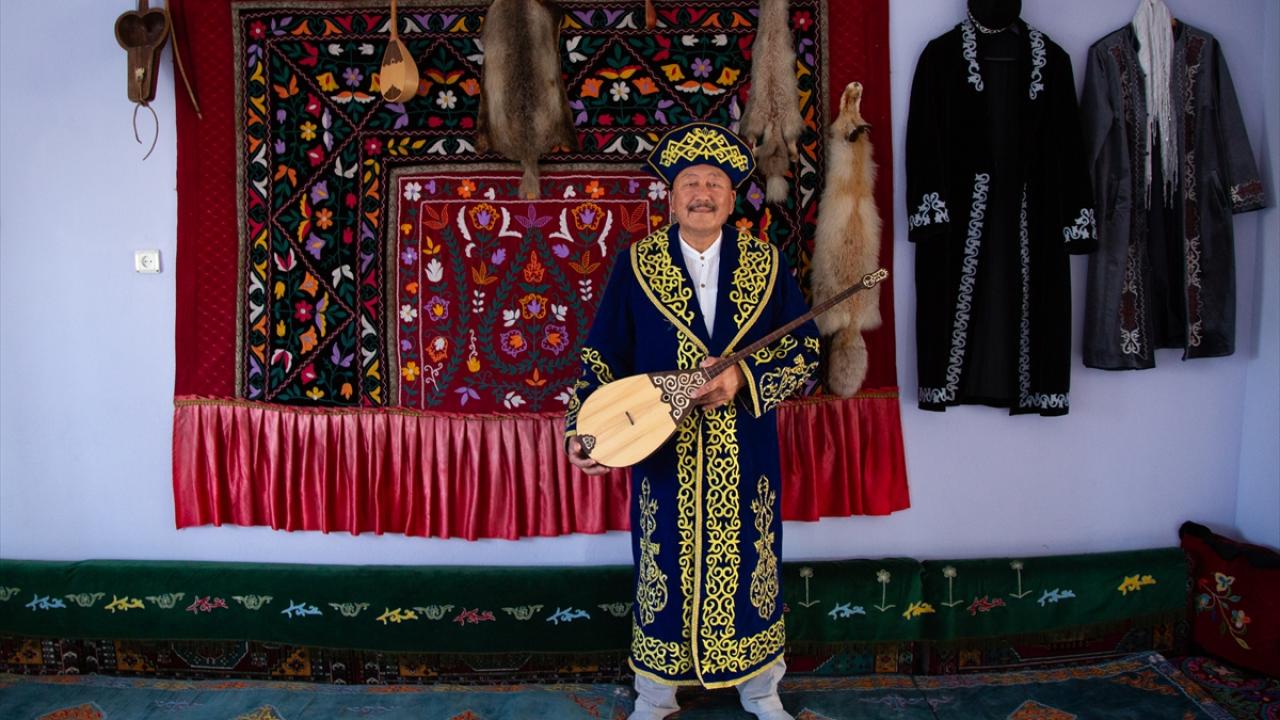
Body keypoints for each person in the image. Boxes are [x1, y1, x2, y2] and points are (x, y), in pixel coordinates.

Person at [563, 122, 820, 720]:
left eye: (714, 184)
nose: (702, 194)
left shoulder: (767, 263)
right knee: (662, 566)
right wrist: (584, 429)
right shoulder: (635, 265)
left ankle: (762, 691)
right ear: (672, 198)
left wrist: (741, 379)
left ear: (732, 200)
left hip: (747, 453)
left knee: (753, 562)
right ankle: (656, 695)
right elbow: (604, 355)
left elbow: (805, 352)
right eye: (690, 184)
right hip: (660, 454)